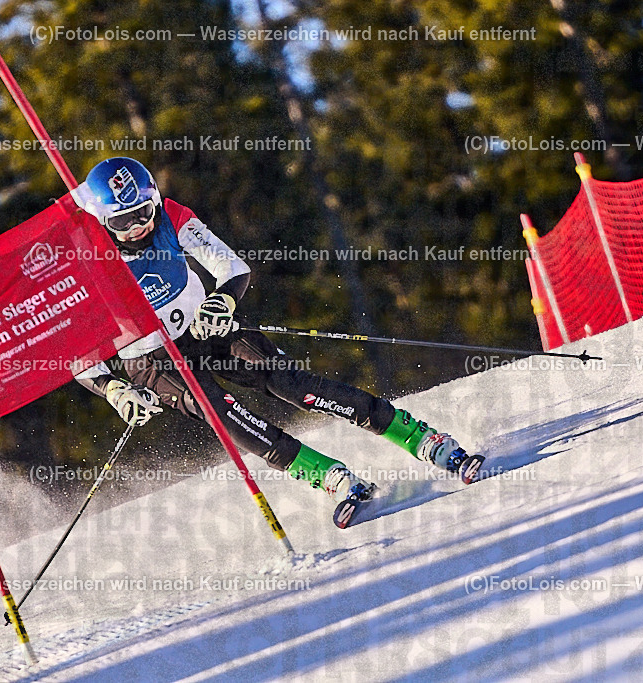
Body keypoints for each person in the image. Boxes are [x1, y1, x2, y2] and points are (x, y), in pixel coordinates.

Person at [72, 157, 474, 505]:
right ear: (101, 219)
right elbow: (76, 353)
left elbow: (231, 266)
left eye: (144, 212)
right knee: (227, 416)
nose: (139, 225)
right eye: (124, 220)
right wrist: (112, 388)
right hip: (152, 360)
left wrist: (223, 300)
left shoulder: (171, 217)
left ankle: (420, 438)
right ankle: (329, 476)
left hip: (205, 325)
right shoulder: (84, 261)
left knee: (291, 384)